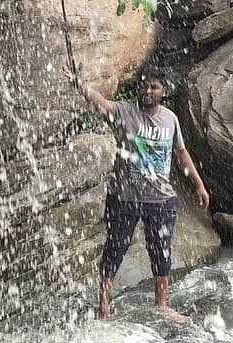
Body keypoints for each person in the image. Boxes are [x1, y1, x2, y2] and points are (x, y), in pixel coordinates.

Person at [68, 63, 210, 321]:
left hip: (161, 199)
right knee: (115, 248)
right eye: (144, 85)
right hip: (124, 198)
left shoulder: (170, 119)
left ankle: (162, 304)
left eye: (154, 87)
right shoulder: (124, 112)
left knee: (161, 250)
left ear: (163, 91)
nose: (147, 90)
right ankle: (104, 304)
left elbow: (181, 153)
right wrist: (82, 87)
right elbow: (103, 103)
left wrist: (198, 184)